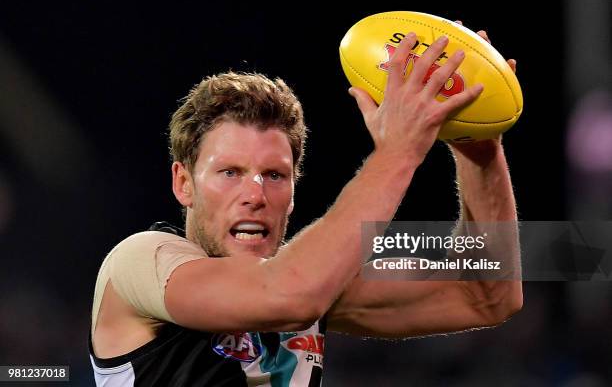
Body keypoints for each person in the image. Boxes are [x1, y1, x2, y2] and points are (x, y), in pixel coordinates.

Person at [89, 30, 522, 386]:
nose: (255, 194)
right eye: (230, 172)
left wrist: (476, 149)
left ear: (294, 192)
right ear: (183, 183)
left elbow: (487, 294)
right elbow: (289, 294)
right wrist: (399, 152)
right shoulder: (140, 263)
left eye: (274, 175)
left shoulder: (315, 284)